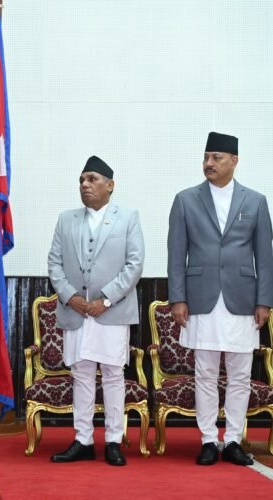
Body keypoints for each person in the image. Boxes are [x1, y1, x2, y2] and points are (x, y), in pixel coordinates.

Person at [167, 132, 273, 466]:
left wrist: (264, 301)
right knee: (205, 373)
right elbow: (176, 254)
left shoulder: (255, 201)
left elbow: (264, 257)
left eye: (216, 158)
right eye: (206, 157)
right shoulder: (185, 200)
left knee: (240, 375)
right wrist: (177, 298)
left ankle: (234, 440)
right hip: (201, 298)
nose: (209, 163)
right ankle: (209, 440)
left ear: (234, 161)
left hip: (243, 300)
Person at [47, 155, 144, 467]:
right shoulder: (66, 219)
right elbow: (54, 263)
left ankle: (113, 440)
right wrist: (70, 297)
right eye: (82, 180)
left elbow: (134, 265)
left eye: (92, 179)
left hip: (111, 311)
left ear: (110, 185)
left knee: (114, 375)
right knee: (82, 374)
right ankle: (83, 440)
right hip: (77, 312)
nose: (85, 185)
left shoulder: (127, 218)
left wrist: (106, 300)